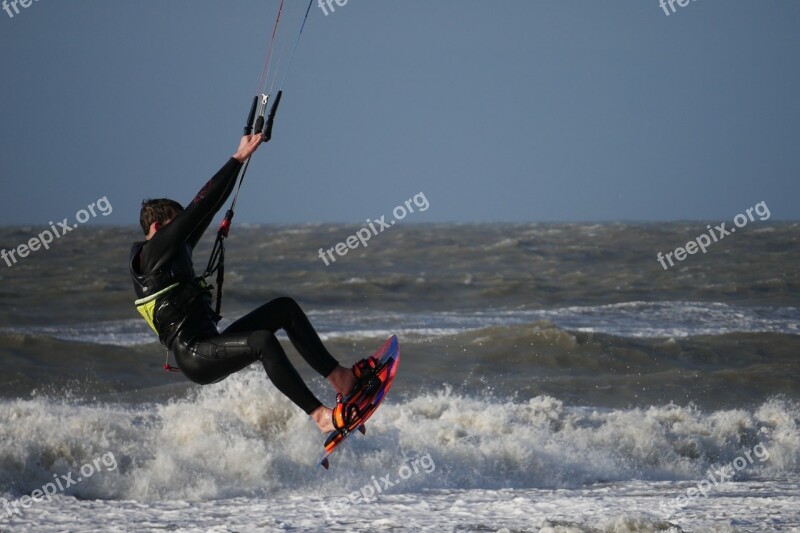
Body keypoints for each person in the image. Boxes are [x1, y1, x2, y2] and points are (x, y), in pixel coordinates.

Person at [129, 134, 358, 433]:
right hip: (196, 355)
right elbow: (202, 204)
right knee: (262, 341)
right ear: (157, 228)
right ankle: (320, 416)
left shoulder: (168, 258)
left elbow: (207, 211)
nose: (184, 231)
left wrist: (238, 167)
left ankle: (341, 378)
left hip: (210, 343)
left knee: (284, 308)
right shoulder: (152, 252)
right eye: (177, 223)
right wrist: (237, 158)